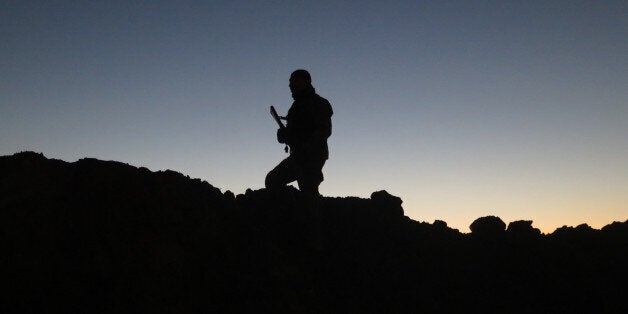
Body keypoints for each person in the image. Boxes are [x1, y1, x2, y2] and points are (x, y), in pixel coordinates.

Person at [265, 69, 333, 196]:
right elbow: (294, 133)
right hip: (298, 156)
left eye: (294, 81)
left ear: (305, 82)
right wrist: (284, 135)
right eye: (290, 82)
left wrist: (304, 146)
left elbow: (324, 131)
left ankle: (311, 214)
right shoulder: (296, 106)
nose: (290, 85)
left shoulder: (319, 103)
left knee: (308, 192)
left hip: (311, 156)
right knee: (272, 180)